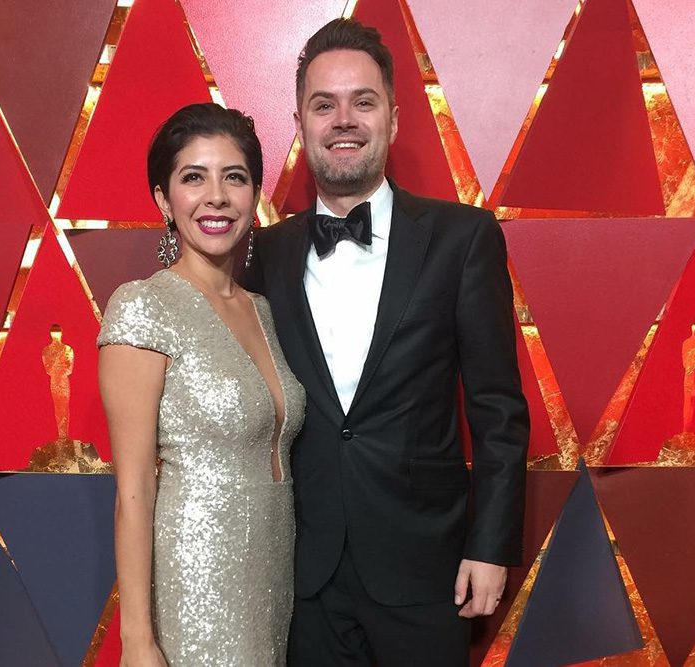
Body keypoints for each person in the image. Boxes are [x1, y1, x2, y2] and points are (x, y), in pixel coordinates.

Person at [243, 19, 529, 665]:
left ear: (393, 119)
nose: (343, 119)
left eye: (362, 102)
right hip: (301, 571)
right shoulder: (266, 251)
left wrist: (490, 545)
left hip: (427, 567)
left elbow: (498, 410)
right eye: (324, 104)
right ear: (300, 122)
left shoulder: (464, 238)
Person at [97, 103, 305, 667]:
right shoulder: (143, 305)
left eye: (233, 177)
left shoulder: (262, 309)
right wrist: (137, 640)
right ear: (164, 200)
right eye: (194, 177)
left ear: (253, 196)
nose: (216, 196)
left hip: (272, 580)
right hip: (196, 582)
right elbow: (133, 489)